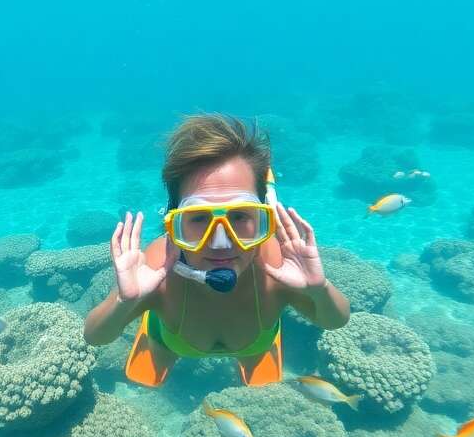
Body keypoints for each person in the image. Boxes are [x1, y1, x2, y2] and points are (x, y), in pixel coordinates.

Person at [82, 114, 351, 386]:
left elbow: (336, 321)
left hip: (252, 343)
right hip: (174, 341)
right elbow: (94, 336)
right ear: (175, 222)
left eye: (240, 216)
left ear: (262, 219)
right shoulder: (158, 267)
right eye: (199, 218)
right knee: (160, 348)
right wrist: (125, 302)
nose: (221, 243)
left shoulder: (281, 265)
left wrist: (319, 288)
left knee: (255, 354)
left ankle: (264, 190)